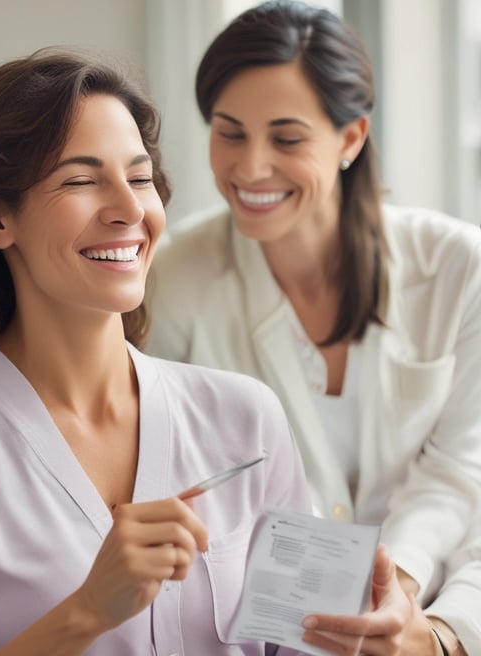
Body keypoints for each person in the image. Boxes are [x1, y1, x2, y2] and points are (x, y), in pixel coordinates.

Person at [0, 47, 410, 656]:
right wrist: (86, 613)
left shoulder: (246, 418)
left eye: (139, 179)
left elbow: (305, 645)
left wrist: (372, 634)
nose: (130, 210)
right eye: (81, 181)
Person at [144, 2, 481, 655]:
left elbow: (460, 469)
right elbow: (159, 479)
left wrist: (398, 599)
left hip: (439, 599)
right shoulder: (177, 276)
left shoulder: (460, 269)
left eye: (287, 138)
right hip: (267, 629)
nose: (250, 168)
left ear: (350, 138)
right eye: (230, 132)